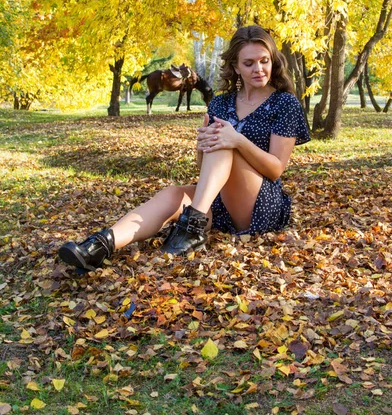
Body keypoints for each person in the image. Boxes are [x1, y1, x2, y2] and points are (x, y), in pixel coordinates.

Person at [58, 25, 310, 271]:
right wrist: (201, 147)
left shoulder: (284, 103)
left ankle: (192, 226)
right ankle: (100, 245)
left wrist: (237, 141)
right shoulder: (221, 104)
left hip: (260, 204)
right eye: (249, 63)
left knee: (224, 138)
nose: (259, 69)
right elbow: (207, 170)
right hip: (218, 201)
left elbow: (276, 169)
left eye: (264, 61)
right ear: (235, 67)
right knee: (173, 194)